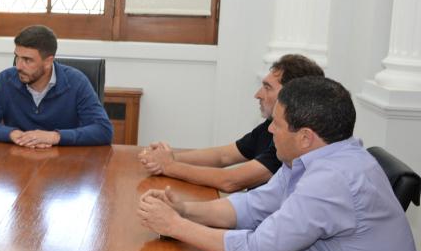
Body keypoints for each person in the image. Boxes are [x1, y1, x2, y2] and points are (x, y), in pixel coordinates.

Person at [137, 77, 421, 251]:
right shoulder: (308, 160)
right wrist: (185, 210)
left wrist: (175, 226)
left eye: (277, 123)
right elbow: (252, 206)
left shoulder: (333, 180)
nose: (270, 129)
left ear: (306, 137)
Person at [138, 54, 324, 193]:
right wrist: (167, 157)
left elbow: (231, 181)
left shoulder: (292, 142)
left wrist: (169, 166)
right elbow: (223, 156)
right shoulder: (270, 127)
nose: (257, 94)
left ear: (292, 95)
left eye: (267, 88)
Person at [0, 25, 113, 148]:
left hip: (65, 167)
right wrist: (12, 134)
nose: (18, 66)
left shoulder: (77, 82)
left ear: (48, 61)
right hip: (17, 164)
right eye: (17, 57)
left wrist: (55, 137)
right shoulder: (4, 81)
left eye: (27, 60)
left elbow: (103, 130)